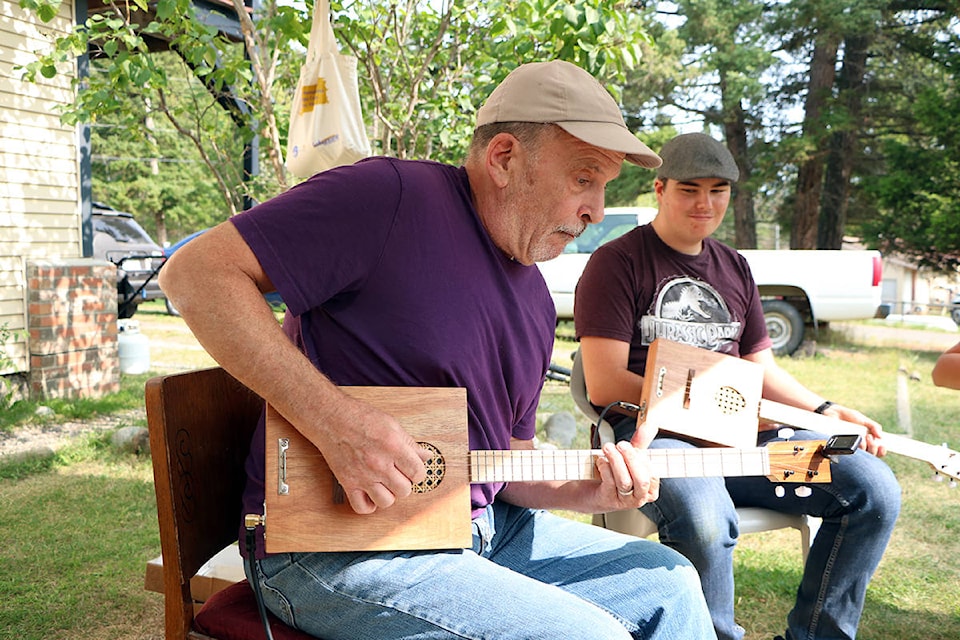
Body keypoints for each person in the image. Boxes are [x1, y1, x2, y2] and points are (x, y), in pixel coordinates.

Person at [159, 60, 717, 640]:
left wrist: (587, 489)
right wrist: (333, 421)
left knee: (669, 579)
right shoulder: (388, 197)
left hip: (480, 529)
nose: (597, 211)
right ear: (504, 158)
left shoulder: (535, 299)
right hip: (335, 546)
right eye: (583, 179)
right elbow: (196, 274)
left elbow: (509, 462)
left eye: (604, 187)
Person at [574, 132, 902, 640]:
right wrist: (714, 415)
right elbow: (604, 380)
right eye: (689, 189)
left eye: (717, 190)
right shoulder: (617, 262)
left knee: (872, 489)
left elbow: (761, 365)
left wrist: (826, 408)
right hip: (653, 441)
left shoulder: (735, 267)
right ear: (659, 189)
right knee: (706, 518)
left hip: (744, 446)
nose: (704, 203)